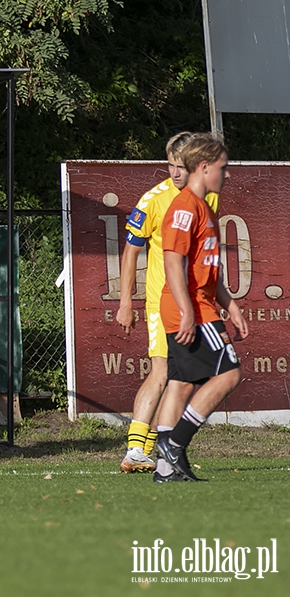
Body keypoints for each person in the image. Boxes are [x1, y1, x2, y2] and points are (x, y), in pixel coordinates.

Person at [115, 132, 220, 473]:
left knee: (182, 376)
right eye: (170, 165)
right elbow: (131, 252)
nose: (174, 172)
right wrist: (126, 302)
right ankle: (136, 448)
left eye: (180, 166)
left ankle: (152, 448)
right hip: (164, 302)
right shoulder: (153, 200)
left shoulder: (208, 197)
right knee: (162, 371)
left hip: (193, 302)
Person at [153, 134, 248, 483]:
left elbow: (206, 268)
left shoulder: (204, 207)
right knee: (229, 373)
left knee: (180, 384)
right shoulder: (183, 207)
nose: (227, 175)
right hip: (190, 308)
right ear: (204, 167)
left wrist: (231, 305)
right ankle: (175, 444)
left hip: (200, 304)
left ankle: (166, 470)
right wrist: (188, 311)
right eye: (223, 168)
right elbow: (172, 263)